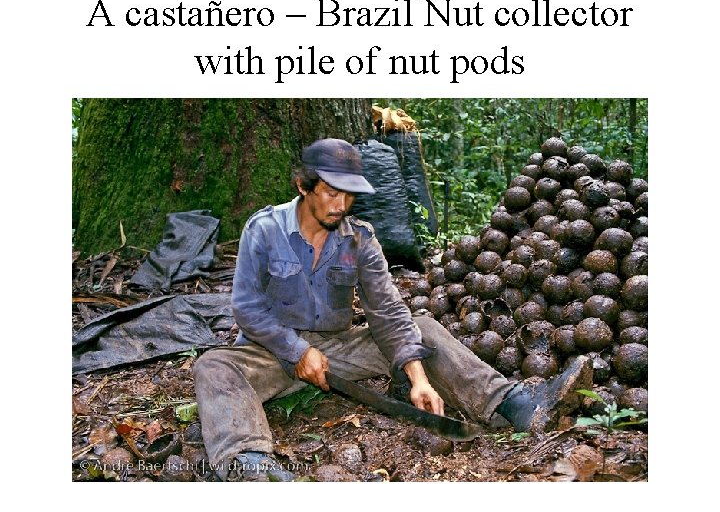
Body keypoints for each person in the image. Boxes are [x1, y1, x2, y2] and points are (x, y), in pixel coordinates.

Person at [193, 138, 592, 481]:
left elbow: (388, 311)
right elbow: (246, 308)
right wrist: (296, 351)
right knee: (213, 366)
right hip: (268, 351)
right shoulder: (263, 229)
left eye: (349, 195)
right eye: (332, 192)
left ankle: (516, 405)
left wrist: (417, 377)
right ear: (303, 185)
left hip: (336, 352)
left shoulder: (359, 240)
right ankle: (249, 463)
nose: (341, 205)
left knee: (423, 327)